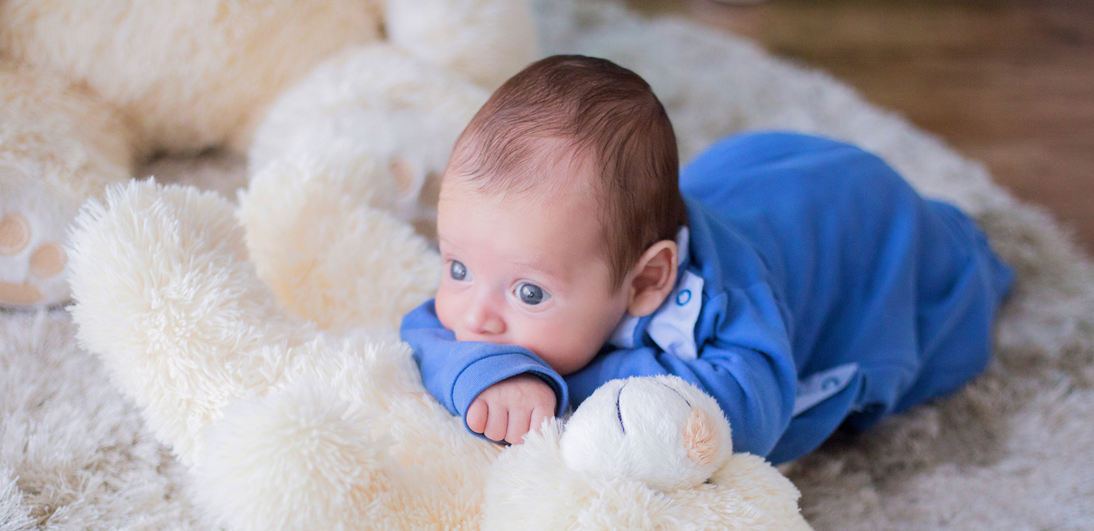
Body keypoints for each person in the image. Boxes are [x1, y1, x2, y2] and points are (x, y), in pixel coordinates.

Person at [400, 55, 1014, 463]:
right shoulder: (508, 272)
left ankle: (958, 240)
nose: (474, 318)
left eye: (528, 293)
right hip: (757, 174)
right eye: (457, 267)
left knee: (944, 302)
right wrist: (486, 372)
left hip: (862, 229)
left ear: (647, 281)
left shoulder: (722, 307)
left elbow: (741, 418)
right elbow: (422, 335)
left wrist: (557, 389)